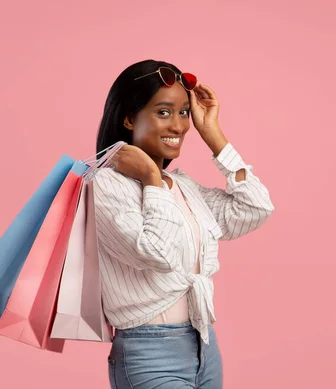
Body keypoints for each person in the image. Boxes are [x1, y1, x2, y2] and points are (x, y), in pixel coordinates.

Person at [92, 59, 274, 389]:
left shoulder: (182, 187)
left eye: (183, 113)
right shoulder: (106, 185)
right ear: (130, 118)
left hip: (204, 345)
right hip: (149, 351)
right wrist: (150, 177)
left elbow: (255, 208)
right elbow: (157, 253)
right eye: (163, 112)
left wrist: (215, 136)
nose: (179, 126)